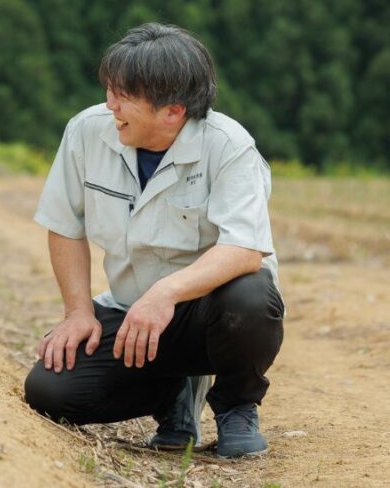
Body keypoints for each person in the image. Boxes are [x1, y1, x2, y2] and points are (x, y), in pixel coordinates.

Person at [24, 23, 284, 458]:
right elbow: (65, 224)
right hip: (130, 312)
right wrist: (77, 311)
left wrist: (166, 293)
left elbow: (244, 248)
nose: (111, 105)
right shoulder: (87, 132)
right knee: (49, 391)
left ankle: (236, 406)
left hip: (207, 314)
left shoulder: (228, 146)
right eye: (110, 89)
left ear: (172, 111)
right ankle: (171, 396)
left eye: (124, 96)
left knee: (253, 297)